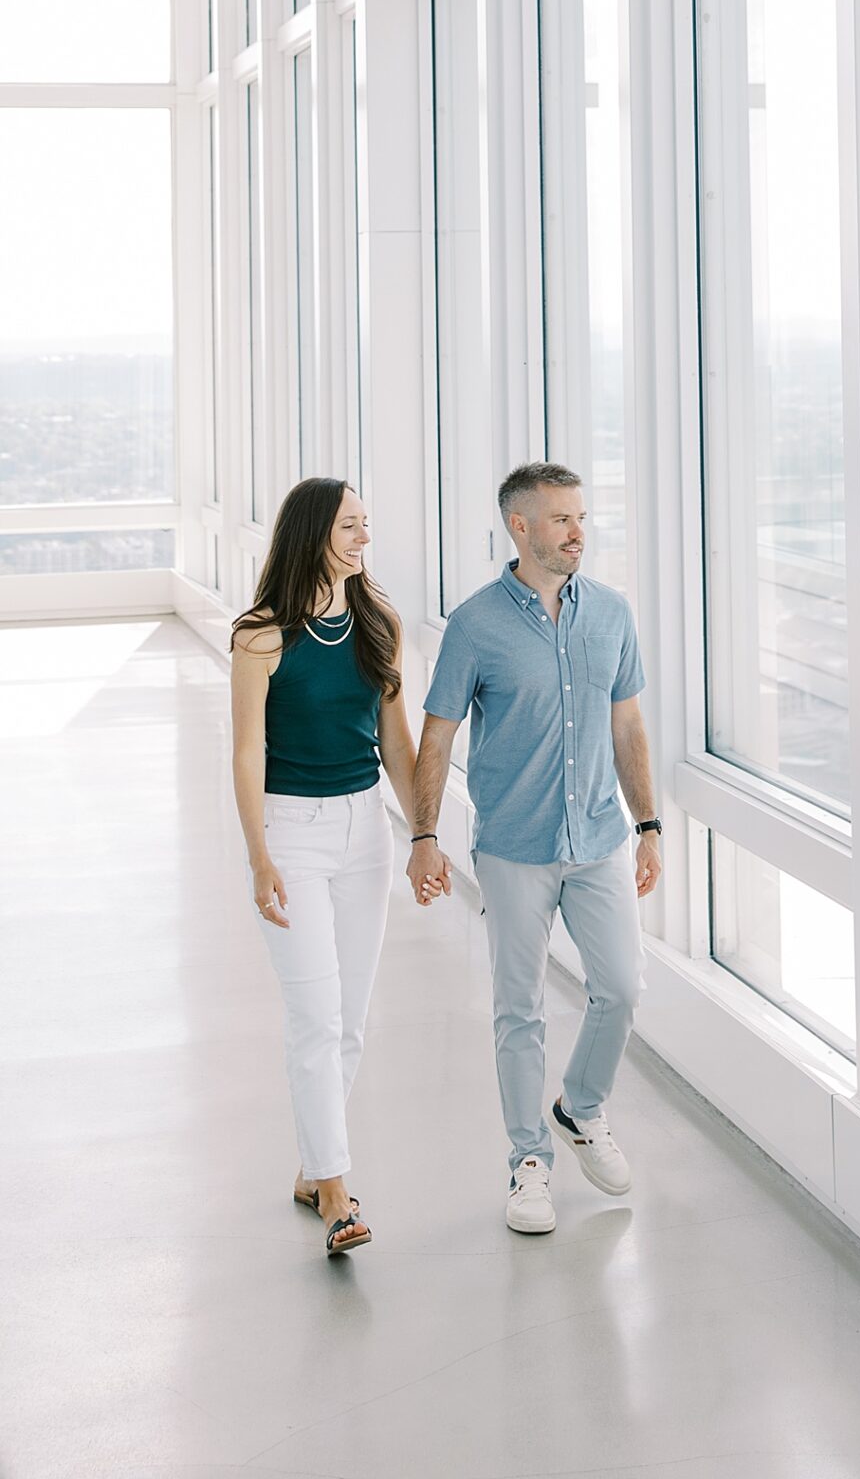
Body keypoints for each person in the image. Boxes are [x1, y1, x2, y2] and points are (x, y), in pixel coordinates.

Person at [408, 461, 661, 1234]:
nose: (578, 531)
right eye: (561, 519)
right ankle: (528, 1165)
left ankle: (579, 1108)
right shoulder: (475, 624)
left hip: (598, 842)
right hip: (513, 848)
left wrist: (649, 826)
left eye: (581, 517)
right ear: (519, 527)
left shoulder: (612, 614)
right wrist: (424, 836)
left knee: (620, 987)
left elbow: (626, 727)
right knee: (518, 1011)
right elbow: (438, 736)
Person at [229, 478, 438, 1257]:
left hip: (364, 835)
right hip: (292, 833)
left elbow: (397, 743)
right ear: (313, 532)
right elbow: (248, 753)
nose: (363, 538)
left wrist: (423, 836)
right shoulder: (260, 635)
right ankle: (338, 1194)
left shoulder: (374, 621)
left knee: (349, 1020)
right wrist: (258, 857)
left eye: (366, 524)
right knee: (314, 1018)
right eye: (350, 526)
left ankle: (315, 1167)